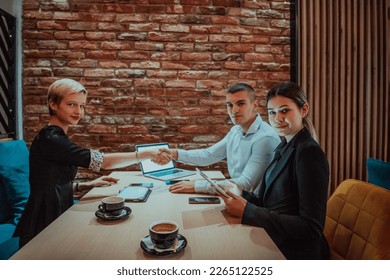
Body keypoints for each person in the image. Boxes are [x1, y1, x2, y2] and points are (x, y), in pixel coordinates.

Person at [14, 78, 169, 247]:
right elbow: (103, 162)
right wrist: (145, 154)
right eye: (71, 104)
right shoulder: (51, 138)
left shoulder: (54, 136)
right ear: (53, 104)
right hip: (44, 224)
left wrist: (85, 185)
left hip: (56, 214)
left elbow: (49, 181)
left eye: (82, 106)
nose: (78, 111)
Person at [219, 82, 330, 260]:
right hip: (274, 239)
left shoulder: (309, 153)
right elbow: (271, 202)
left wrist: (248, 211)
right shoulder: (285, 146)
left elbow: (311, 228)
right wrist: (240, 193)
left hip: (295, 254)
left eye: (284, 110)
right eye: (272, 112)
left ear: (304, 110)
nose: (277, 118)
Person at [162, 83, 280, 194]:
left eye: (240, 104)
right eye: (230, 105)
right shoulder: (236, 131)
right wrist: (175, 154)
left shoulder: (265, 138)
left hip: (255, 205)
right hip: (237, 197)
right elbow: (209, 155)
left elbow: (245, 184)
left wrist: (197, 186)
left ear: (255, 105)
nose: (234, 110)